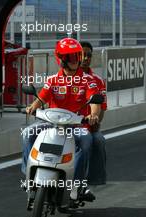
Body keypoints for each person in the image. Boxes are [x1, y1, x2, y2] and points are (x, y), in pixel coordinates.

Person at [22, 38, 102, 202]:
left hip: (76, 125)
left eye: (77, 56)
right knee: (27, 133)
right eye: (72, 57)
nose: (77, 61)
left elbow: (95, 102)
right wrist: (32, 107)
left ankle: (77, 184)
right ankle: (28, 176)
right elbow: (41, 98)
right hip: (51, 124)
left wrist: (93, 115)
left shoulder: (88, 80)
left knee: (86, 141)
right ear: (62, 59)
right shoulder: (52, 80)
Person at [80, 41, 107, 185]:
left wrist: (95, 119)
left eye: (88, 55)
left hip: (87, 127)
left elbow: (101, 107)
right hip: (62, 126)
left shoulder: (97, 81)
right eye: (82, 55)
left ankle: (93, 180)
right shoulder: (61, 77)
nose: (86, 58)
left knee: (98, 140)